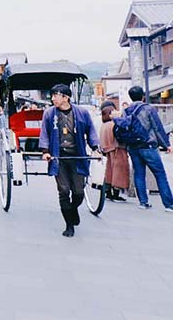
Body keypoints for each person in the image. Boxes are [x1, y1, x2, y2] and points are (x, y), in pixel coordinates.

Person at [39, 83, 100, 238]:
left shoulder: (81, 113)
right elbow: (44, 133)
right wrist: (45, 151)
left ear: (66, 97)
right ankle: (69, 225)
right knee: (64, 190)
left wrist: (95, 147)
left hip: (77, 156)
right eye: (52, 96)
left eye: (55, 95)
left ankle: (73, 210)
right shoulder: (49, 113)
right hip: (58, 157)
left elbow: (91, 131)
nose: (53, 99)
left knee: (79, 191)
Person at [111, 86, 173, 211]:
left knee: (139, 174)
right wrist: (167, 145)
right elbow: (157, 128)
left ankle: (143, 202)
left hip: (133, 147)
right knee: (160, 174)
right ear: (143, 96)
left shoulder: (126, 110)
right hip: (148, 146)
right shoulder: (148, 109)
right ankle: (169, 204)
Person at [98, 101, 129, 202]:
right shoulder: (114, 124)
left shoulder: (104, 125)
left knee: (108, 171)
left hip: (106, 150)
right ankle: (116, 193)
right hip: (117, 148)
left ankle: (107, 192)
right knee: (118, 172)